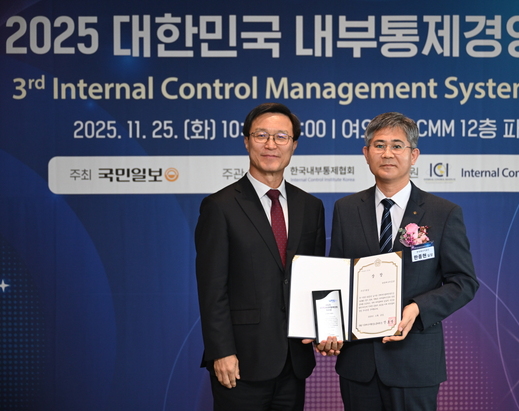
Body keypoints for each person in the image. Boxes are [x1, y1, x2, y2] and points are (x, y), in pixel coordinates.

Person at [329, 112, 479, 411]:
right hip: (359, 363)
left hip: (415, 361)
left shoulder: (443, 213)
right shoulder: (346, 209)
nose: (387, 153)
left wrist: (418, 308)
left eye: (397, 146)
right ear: (366, 154)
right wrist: (327, 326)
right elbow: (336, 276)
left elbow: (464, 282)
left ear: (414, 155)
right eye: (379, 145)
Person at [195, 102, 332, 410]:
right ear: (247, 141)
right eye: (261, 135)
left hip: (293, 361)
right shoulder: (220, 206)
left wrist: (326, 327)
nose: (271, 144)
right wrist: (221, 351)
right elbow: (212, 288)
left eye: (281, 136)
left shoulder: (311, 207)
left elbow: (316, 280)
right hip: (240, 362)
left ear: (294, 145)